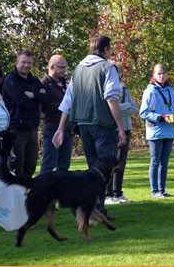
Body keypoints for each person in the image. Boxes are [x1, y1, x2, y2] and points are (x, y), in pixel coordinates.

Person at [53, 35, 126, 220]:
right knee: (104, 168)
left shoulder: (77, 69)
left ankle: (93, 208)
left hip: (82, 125)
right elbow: (111, 97)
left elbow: (68, 100)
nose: (110, 53)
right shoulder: (107, 68)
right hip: (102, 123)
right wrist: (120, 126)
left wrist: (61, 127)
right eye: (109, 49)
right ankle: (98, 209)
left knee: (93, 169)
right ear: (104, 50)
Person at [1, 50, 51, 177]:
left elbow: (48, 97)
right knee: (16, 167)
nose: (26, 65)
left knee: (31, 165)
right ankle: (15, 195)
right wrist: (39, 99)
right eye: (23, 62)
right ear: (17, 62)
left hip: (32, 129)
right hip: (16, 130)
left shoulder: (33, 80)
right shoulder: (10, 80)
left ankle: (26, 195)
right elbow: (22, 101)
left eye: (29, 63)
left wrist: (33, 95)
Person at [139, 64, 174, 198]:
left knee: (164, 162)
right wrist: (161, 117)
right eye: (158, 74)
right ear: (154, 75)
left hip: (169, 130)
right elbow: (143, 112)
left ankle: (162, 190)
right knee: (155, 161)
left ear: (167, 74)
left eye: (163, 73)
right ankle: (155, 191)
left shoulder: (171, 91)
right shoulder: (150, 91)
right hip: (155, 131)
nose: (161, 76)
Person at [105, 61, 138, 205]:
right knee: (110, 161)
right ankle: (107, 194)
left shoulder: (125, 89)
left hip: (126, 127)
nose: (118, 74)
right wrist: (119, 108)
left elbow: (134, 108)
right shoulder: (107, 88)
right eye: (115, 71)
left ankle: (118, 193)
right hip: (113, 129)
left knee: (121, 161)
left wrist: (119, 107)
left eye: (119, 71)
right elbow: (109, 107)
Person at [39, 55, 73, 174]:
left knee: (64, 167)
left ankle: (60, 192)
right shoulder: (43, 84)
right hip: (52, 128)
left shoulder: (65, 84)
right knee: (48, 165)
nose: (64, 70)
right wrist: (65, 104)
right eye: (61, 67)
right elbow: (45, 106)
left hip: (67, 129)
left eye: (65, 67)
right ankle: (42, 191)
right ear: (52, 67)